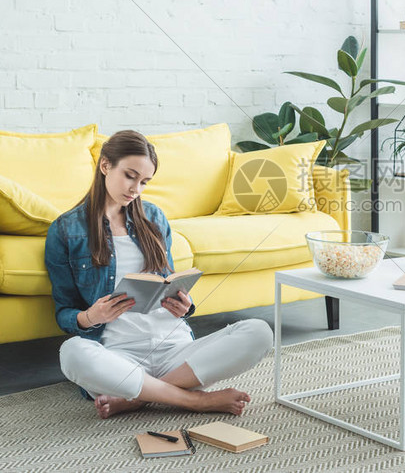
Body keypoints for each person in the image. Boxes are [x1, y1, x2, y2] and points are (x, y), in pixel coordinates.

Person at [45, 130, 272, 419]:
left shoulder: (153, 217)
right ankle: (194, 401)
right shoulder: (66, 229)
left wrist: (185, 306)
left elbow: (167, 281)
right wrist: (92, 317)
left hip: (175, 351)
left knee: (258, 332)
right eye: (130, 176)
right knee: (72, 353)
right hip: (119, 356)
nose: (135, 189)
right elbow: (64, 311)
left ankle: (136, 399)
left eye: (144, 182)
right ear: (105, 166)